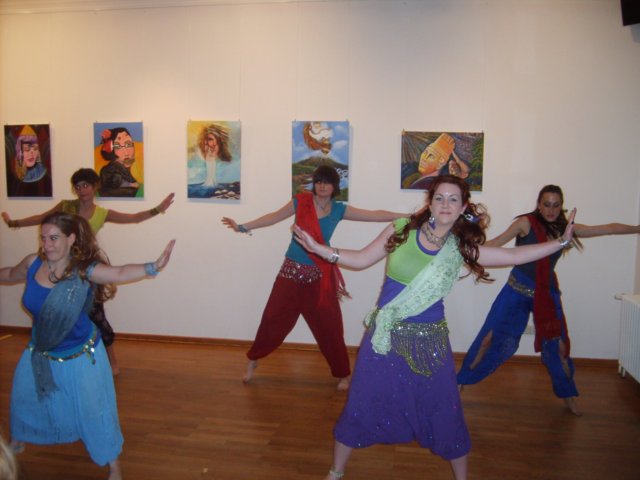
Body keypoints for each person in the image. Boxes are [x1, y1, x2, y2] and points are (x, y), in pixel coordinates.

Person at [292, 175, 576, 480]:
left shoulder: (460, 247)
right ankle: (335, 472)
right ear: (430, 202)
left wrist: (560, 242)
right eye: (439, 197)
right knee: (361, 401)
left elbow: (513, 255)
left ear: (463, 207)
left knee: (445, 409)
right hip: (384, 338)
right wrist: (320, 249)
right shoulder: (401, 229)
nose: (445, 204)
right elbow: (361, 259)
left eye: (454, 199)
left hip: (429, 343)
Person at [1, 212, 175, 480]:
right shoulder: (33, 263)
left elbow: (119, 272)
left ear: (71, 239)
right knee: (25, 399)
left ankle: (113, 465)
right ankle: (18, 439)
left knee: (95, 411)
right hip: (40, 352)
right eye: (43, 238)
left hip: (80, 357)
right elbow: (11, 274)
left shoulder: (82, 270)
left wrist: (153, 266)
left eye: (54, 238)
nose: (47, 244)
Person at [456, 184, 640, 416]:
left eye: (556, 205)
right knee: (487, 339)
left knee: (560, 348)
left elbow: (608, 228)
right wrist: (465, 251)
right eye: (546, 204)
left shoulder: (567, 229)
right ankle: (460, 382)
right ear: (539, 205)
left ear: (561, 206)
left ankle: (568, 394)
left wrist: (637, 228)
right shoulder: (525, 223)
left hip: (546, 293)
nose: (551, 210)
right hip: (516, 290)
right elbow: (496, 243)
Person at [221, 165, 406, 390]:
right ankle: (253, 360)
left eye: (326, 182)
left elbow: (374, 215)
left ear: (334, 186)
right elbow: (273, 217)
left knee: (330, 326)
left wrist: (404, 217)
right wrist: (242, 226)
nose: (322, 186)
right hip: (290, 272)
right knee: (272, 319)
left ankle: (342, 373)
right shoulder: (300, 202)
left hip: (320, 275)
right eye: (318, 181)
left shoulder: (339, 209)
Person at [2, 167, 175, 375]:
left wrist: (158, 209)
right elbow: (41, 218)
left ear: (95, 187)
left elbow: (134, 218)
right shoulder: (65, 207)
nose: (81, 190)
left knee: (97, 317)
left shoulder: (102, 214)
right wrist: (13, 223)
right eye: (77, 186)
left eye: (85, 185)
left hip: (84, 270)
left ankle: (110, 361)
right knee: (52, 312)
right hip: (57, 267)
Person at [188, 123, 240, 199]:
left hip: (211, 162)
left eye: (211, 139)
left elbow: (215, 153)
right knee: (210, 167)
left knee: (211, 168)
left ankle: (211, 183)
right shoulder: (206, 147)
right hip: (209, 162)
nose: (212, 143)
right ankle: (210, 183)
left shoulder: (216, 147)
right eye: (209, 139)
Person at [98, 127, 141, 197]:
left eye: (128, 144)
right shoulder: (109, 170)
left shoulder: (124, 171)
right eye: (118, 146)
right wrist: (129, 184)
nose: (126, 152)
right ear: (111, 150)